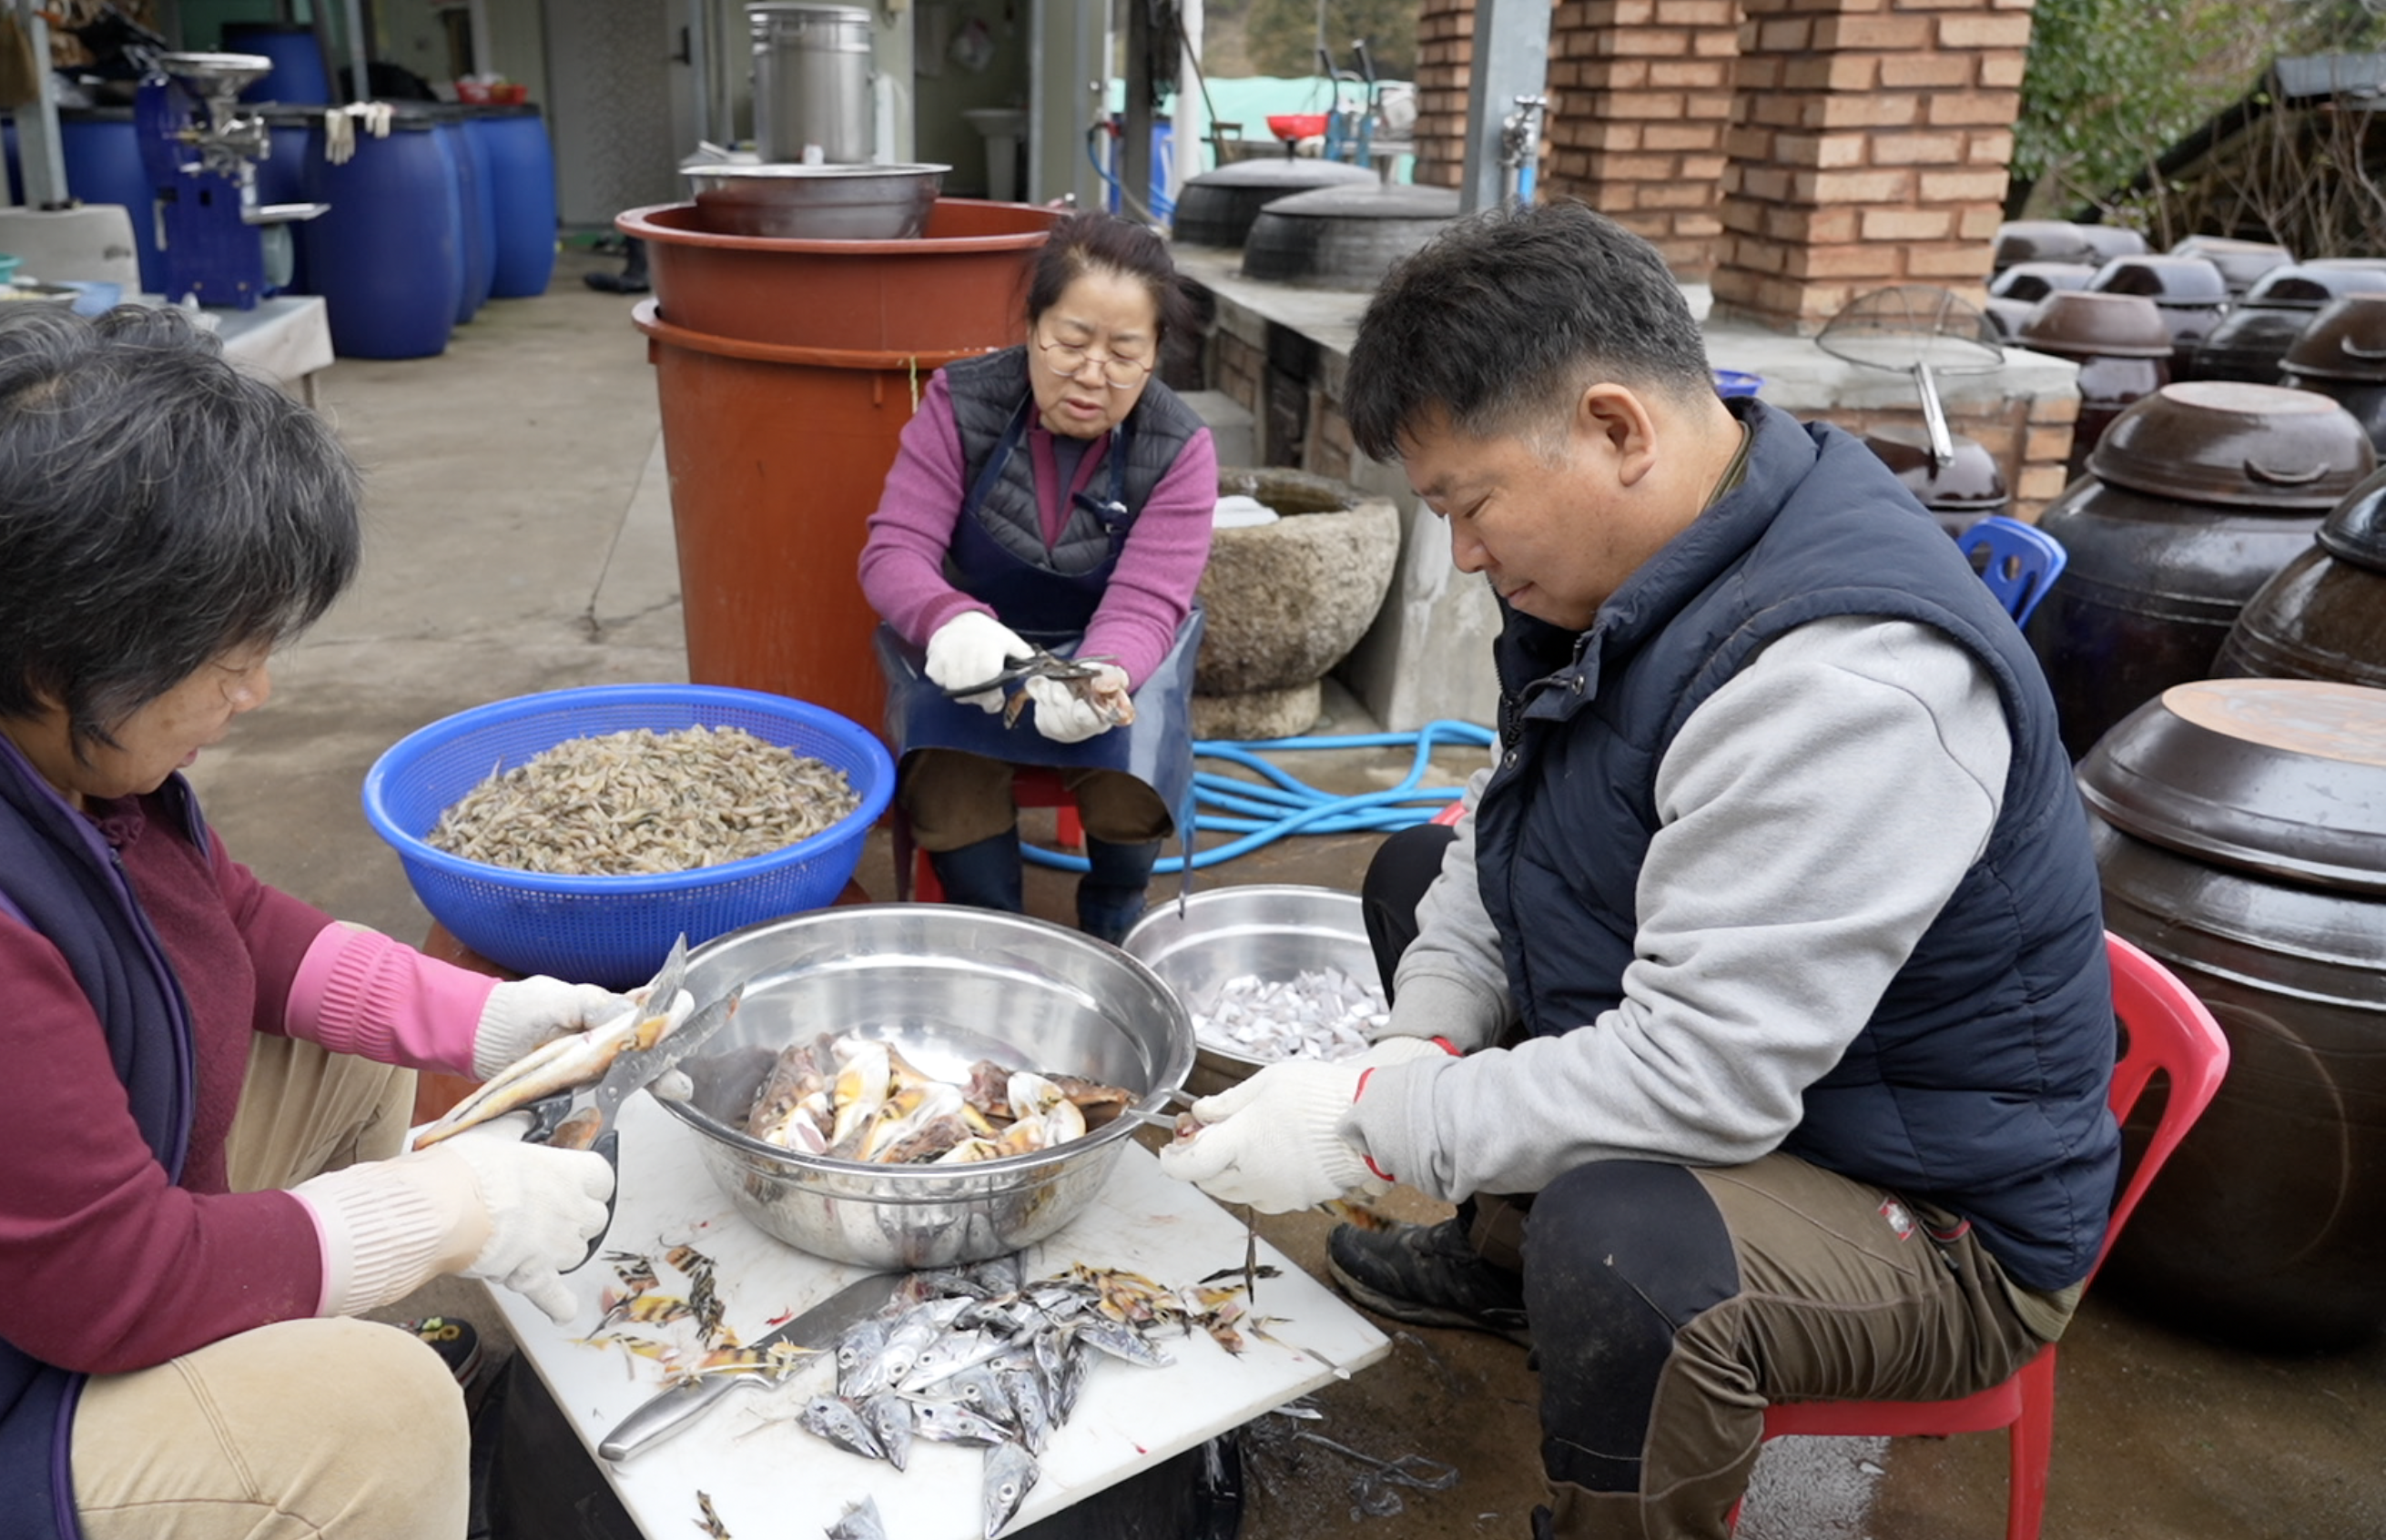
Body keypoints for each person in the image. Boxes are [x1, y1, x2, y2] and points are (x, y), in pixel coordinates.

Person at [0, 308, 682, 1540]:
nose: (258, 690)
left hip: (5, 1294)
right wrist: (453, 1210)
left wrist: (491, 1023)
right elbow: (113, 1285)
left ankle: (258, 1390)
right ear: (55, 648)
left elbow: (225, 919)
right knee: (381, 1418)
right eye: (226, 652)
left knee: (348, 1046)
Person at [1157, 202, 2118, 1540]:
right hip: (1792, 1089)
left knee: (1623, 1244)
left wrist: (1364, 1121)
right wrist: (1409, 1050)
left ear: (1616, 428)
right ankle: (1497, 1260)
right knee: (1409, 876)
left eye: (1470, 504)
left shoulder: (1846, 678)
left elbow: (1705, 1080)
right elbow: (1506, 827)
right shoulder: (1625, 569)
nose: (1466, 555)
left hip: (1933, 1217)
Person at [858, 210, 1219, 942]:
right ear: (1031, 325)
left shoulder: (1181, 447)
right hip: (976, 655)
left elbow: (1150, 599)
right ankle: (1002, 939)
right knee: (945, 772)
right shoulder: (961, 404)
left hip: (1102, 653)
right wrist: (948, 619)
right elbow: (894, 549)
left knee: (1135, 759)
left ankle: (1114, 917)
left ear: (1155, 353)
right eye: (1070, 342)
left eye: (1124, 352)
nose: (1092, 374)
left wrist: (1105, 669)